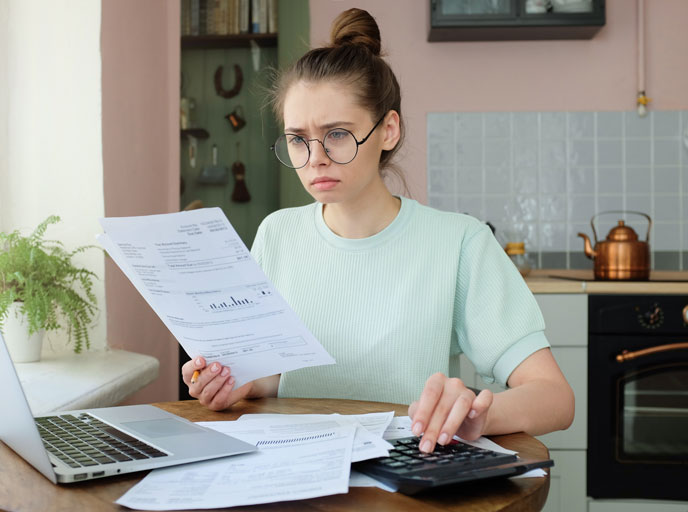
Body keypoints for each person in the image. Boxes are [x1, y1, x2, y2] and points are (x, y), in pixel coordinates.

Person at [182, 8, 574, 453]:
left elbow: (556, 398)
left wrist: (477, 415)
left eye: (337, 134)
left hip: (409, 474)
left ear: (388, 130)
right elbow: (282, 378)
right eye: (297, 138)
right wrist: (242, 384)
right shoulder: (277, 234)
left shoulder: (459, 243)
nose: (315, 157)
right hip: (294, 469)